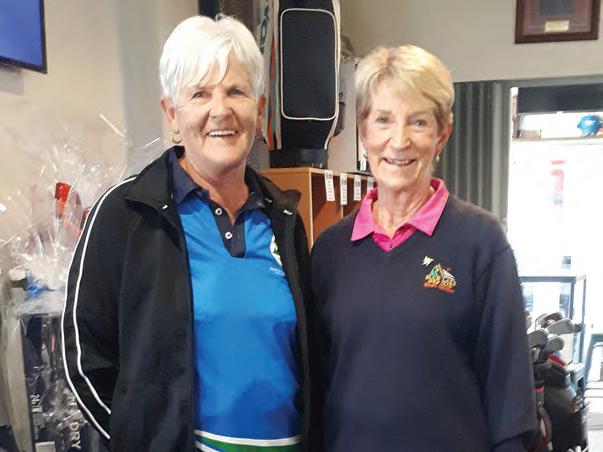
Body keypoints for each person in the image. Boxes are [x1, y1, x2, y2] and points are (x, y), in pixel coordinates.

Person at [62, 15, 315, 452]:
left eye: (236, 91)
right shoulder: (126, 215)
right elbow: (85, 359)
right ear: (172, 115)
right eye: (200, 93)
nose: (221, 110)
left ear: (258, 108)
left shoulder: (284, 217)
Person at [311, 45, 537, 451]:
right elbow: (318, 387)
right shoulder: (330, 251)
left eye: (417, 122)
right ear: (363, 131)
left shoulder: (481, 242)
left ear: (441, 134)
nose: (399, 141)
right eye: (383, 120)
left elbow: (510, 395)